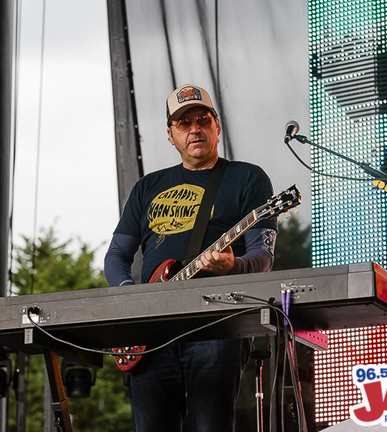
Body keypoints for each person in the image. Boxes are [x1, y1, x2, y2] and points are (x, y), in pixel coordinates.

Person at [104, 84, 278, 432]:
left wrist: (234, 266)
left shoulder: (247, 178)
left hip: (216, 322)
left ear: (217, 126)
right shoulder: (147, 187)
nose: (194, 129)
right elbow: (116, 256)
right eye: (183, 123)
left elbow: (263, 254)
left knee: (209, 423)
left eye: (202, 119)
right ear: (171, 135)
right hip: (152, 328)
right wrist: (132, 297)